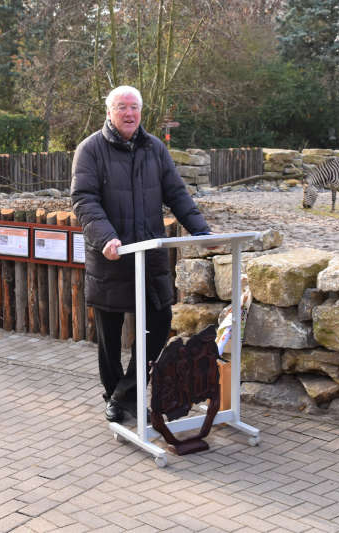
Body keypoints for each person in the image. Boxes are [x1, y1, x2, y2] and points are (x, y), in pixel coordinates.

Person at [71, 86, 211, 423]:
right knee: (109, 335)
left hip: (150, 258)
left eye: (134, 107)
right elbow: (83, 200)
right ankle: (114, 396)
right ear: (109, 112)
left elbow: (177, 194)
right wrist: (106, 237)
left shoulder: (155, 149)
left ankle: (124, 395)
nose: (129, 113)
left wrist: (202, 232)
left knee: (160, 323)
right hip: (112, 258)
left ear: (141, 111)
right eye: (122, 107)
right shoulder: (90, 150)